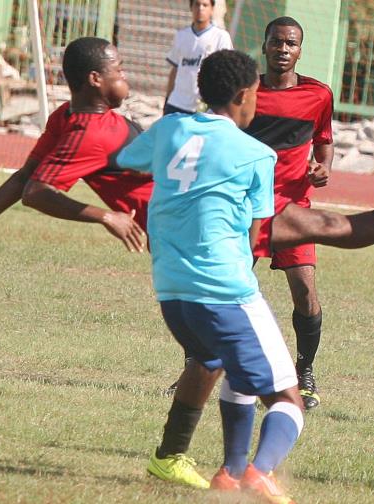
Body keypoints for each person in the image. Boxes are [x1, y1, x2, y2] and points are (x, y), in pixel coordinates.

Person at [118, 49, 301, 503]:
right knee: (288, 401)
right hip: (226, 291)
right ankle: (260, 472)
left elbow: (127, 158)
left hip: (172, 292)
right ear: (243, 95)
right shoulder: (256, 153)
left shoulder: (169, 129)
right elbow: (258, 231)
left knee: (224, 364)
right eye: (256, 95)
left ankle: (230, 472)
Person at [0, 37, 148, 272]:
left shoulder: (66, 116)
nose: (124, 77)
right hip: (179, 229)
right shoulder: (90, 133)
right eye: (119, 70)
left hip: (178, 225)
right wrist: (107, 216)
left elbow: (25, 178)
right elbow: (35, 191)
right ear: (95, 79)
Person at [244, 16, 333, 411]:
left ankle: (305, 374)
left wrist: (322, 167)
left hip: (294, 209)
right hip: (246, 208)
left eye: (291, 43)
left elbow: (324, 142)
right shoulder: (245, 92)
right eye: (277, 42)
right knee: (222, 290)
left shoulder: (318, 95)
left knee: (305, 292)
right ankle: (197, 367)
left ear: (300, 49)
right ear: (264, 46)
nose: (283, 49)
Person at [163, 0, 233, 115]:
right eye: (197, 4)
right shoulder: (181, 35)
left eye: (205, 5)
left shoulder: (221, 37)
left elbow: (226, 73)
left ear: (212, 9)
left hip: (204, 106)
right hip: (176, 103)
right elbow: (175, 69)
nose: (200, 8)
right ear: (191, 7)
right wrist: (167, 99)